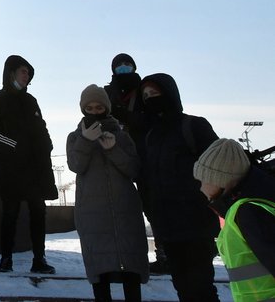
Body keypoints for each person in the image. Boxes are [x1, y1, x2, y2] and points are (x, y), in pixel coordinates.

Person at [139, 73, 220, 301]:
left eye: (154, 93)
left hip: (196, 227)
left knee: (201, 290)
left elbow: (219, 168)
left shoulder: (194, 126)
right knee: (183, 290)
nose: (150, 99)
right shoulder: (151, 136)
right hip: (168, 229)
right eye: (145, 96)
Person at [67, 85, 148, 302]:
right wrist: (86, 140)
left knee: (131, 269)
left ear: (107, 107)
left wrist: (113, 149)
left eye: (99, 107)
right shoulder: (75, 137)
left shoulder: (121, 136)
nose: (95, 111)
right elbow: (76, 165)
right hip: (93, 213)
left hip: (125, 210)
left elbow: (133, 169)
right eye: (90, 108)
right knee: (99, 272)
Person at [0, 54, 59, 274]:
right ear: (12, 73)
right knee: (10, 213)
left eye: (28, 73)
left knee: (38, 212)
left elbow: (41, 126)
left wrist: (47, 144)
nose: (27, 76)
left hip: (36, 168)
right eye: (23, 71)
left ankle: (39, 259)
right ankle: (6, 259)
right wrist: (14, 146)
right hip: (12, 168)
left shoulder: (31, 100)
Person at [104, 53, 169, 275]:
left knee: (153, 206)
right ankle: (119, 256)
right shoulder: (107, 92)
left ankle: (163, 254)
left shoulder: (143, 91)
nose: (123, 68)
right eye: (119, 65)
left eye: (127, 64)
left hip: (144, 154)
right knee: (118, 209)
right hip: (115, 154)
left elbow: (151, 119)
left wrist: (126, 116)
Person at [193, 138, 275, 302]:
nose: (201, 187)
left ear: (222, 180)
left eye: (204, 180)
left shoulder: (247, 212)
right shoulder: (244, 209)